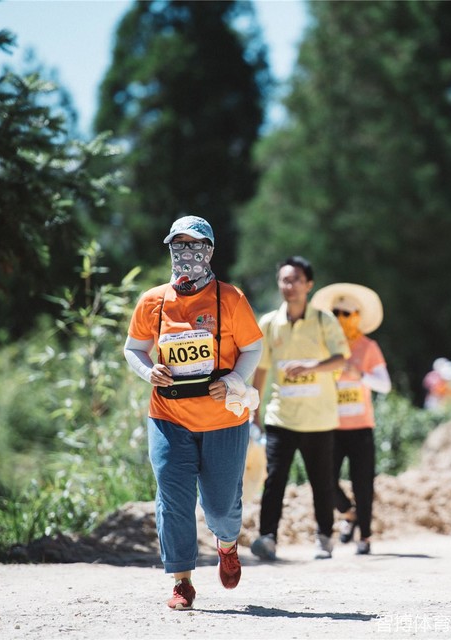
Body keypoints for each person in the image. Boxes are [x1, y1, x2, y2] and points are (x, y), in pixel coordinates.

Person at [124, 215, 264, 610]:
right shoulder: (153, 301)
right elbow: (133, 348)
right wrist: (149, 371)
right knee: (173, 498)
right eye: (179, 244)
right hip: (168, 416)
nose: (187, 252)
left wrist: (234, 379)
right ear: (170, 248)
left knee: (220, 507)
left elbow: (253, 348)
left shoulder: (231, 298)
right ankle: (181, 581)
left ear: (210, 250)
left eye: (196, 245)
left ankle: (227, 544)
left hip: (224, 419)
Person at [250, 256, 350, 561]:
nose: (289, 285)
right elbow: (261, 369)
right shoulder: (269, 323)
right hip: (280, 416)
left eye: (295, 280)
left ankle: (324, 537)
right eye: (284, 279)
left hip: (319, 418)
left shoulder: (324, 320)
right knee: (274, 479)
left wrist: (312, 366)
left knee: (322, 482)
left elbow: (341, 357)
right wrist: (254, 412)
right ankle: (267, 538)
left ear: (309, 285)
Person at [311, 282, 392, 556]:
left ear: (357, 316)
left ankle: (365, 536)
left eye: (347, 313)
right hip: (330, 426)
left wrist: (361, 375)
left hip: (360, 428)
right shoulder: (325, 347)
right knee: (326, 480)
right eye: (336, 313)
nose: (341, 318)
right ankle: (348, 512)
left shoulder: (368, 347)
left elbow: (385, 385)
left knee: (363, 484)